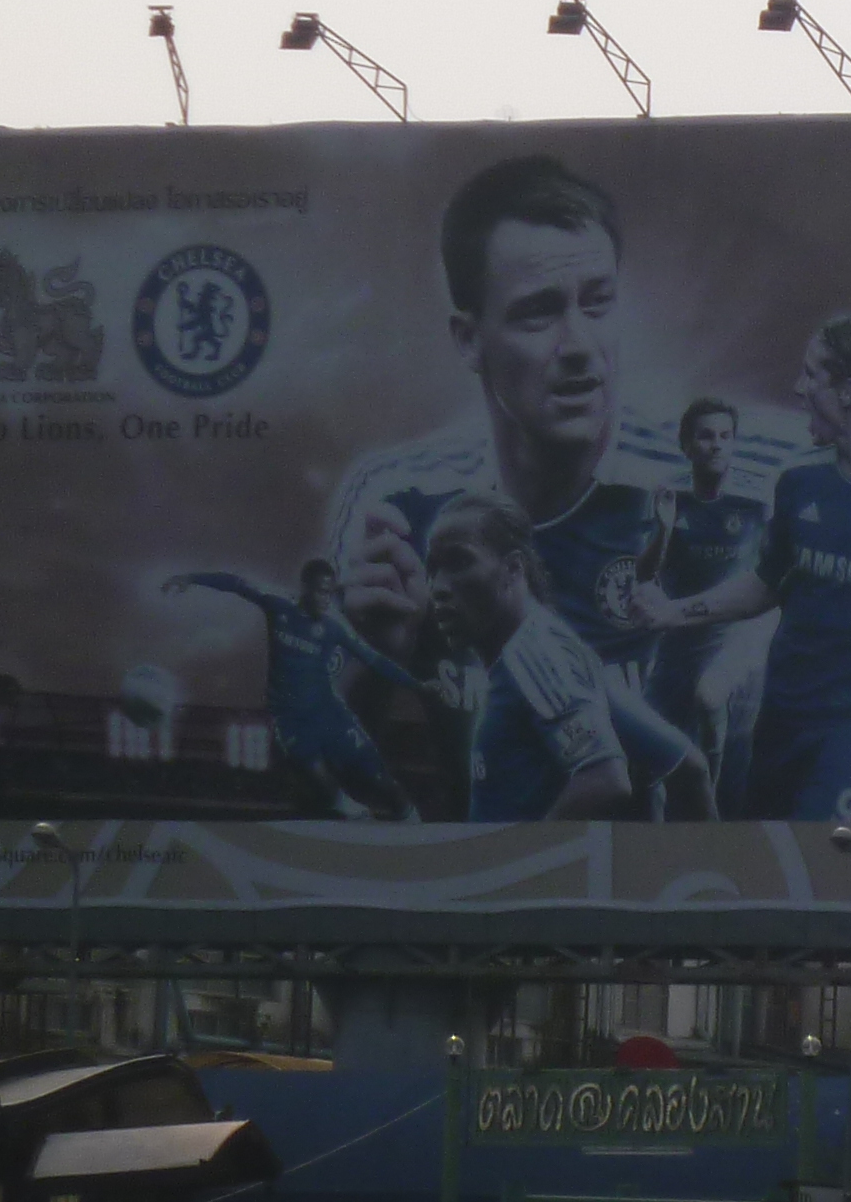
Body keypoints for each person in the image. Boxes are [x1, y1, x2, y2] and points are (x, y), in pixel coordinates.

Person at [327, 152, 675, 723]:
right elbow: (317, 747)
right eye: (539, 313)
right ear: (469, 340)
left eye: (598, 302)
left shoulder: (717, 481)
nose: (580, 345)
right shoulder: (397, 501)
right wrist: (374, 657)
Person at [636, 309, 851, 824]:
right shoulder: (799, 483)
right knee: (765, 858)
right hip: (784, 716)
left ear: (848, 391)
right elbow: (767, 583)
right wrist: (671, 612)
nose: (798, 389)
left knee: (820, 854)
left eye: (811, 375)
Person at [418, 493, 711, 824]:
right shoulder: (545, 647)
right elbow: (689, 767)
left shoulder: (534, 656)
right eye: (432, 570)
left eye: (458, 563)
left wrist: (528, 853)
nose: (438, 587)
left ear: (513, 568)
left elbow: (605, 780)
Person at [161, 562, 424, 819]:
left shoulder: (335, 624)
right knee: (323, 786)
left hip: (329, 714)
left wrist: (417, 685)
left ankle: (411, 819)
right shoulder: (278, 602)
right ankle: (352, 815)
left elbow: (374, 660)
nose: (326, 599)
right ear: (305, 588)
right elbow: (236, 582)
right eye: (321, 592)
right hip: (289, 720)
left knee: (379, 778)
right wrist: (190, 578)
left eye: (330, 593)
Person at [645, 395, 774, 814]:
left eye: (725, 436)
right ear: (686, 445)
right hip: (679, 638)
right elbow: (644, 575)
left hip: (733, 636)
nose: (716, 445)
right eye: (706, 436)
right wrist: (663, 530)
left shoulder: (756, 500)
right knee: (652, 749)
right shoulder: (670, 494)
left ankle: (710, 810)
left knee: (711, 698)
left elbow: (773, 572)